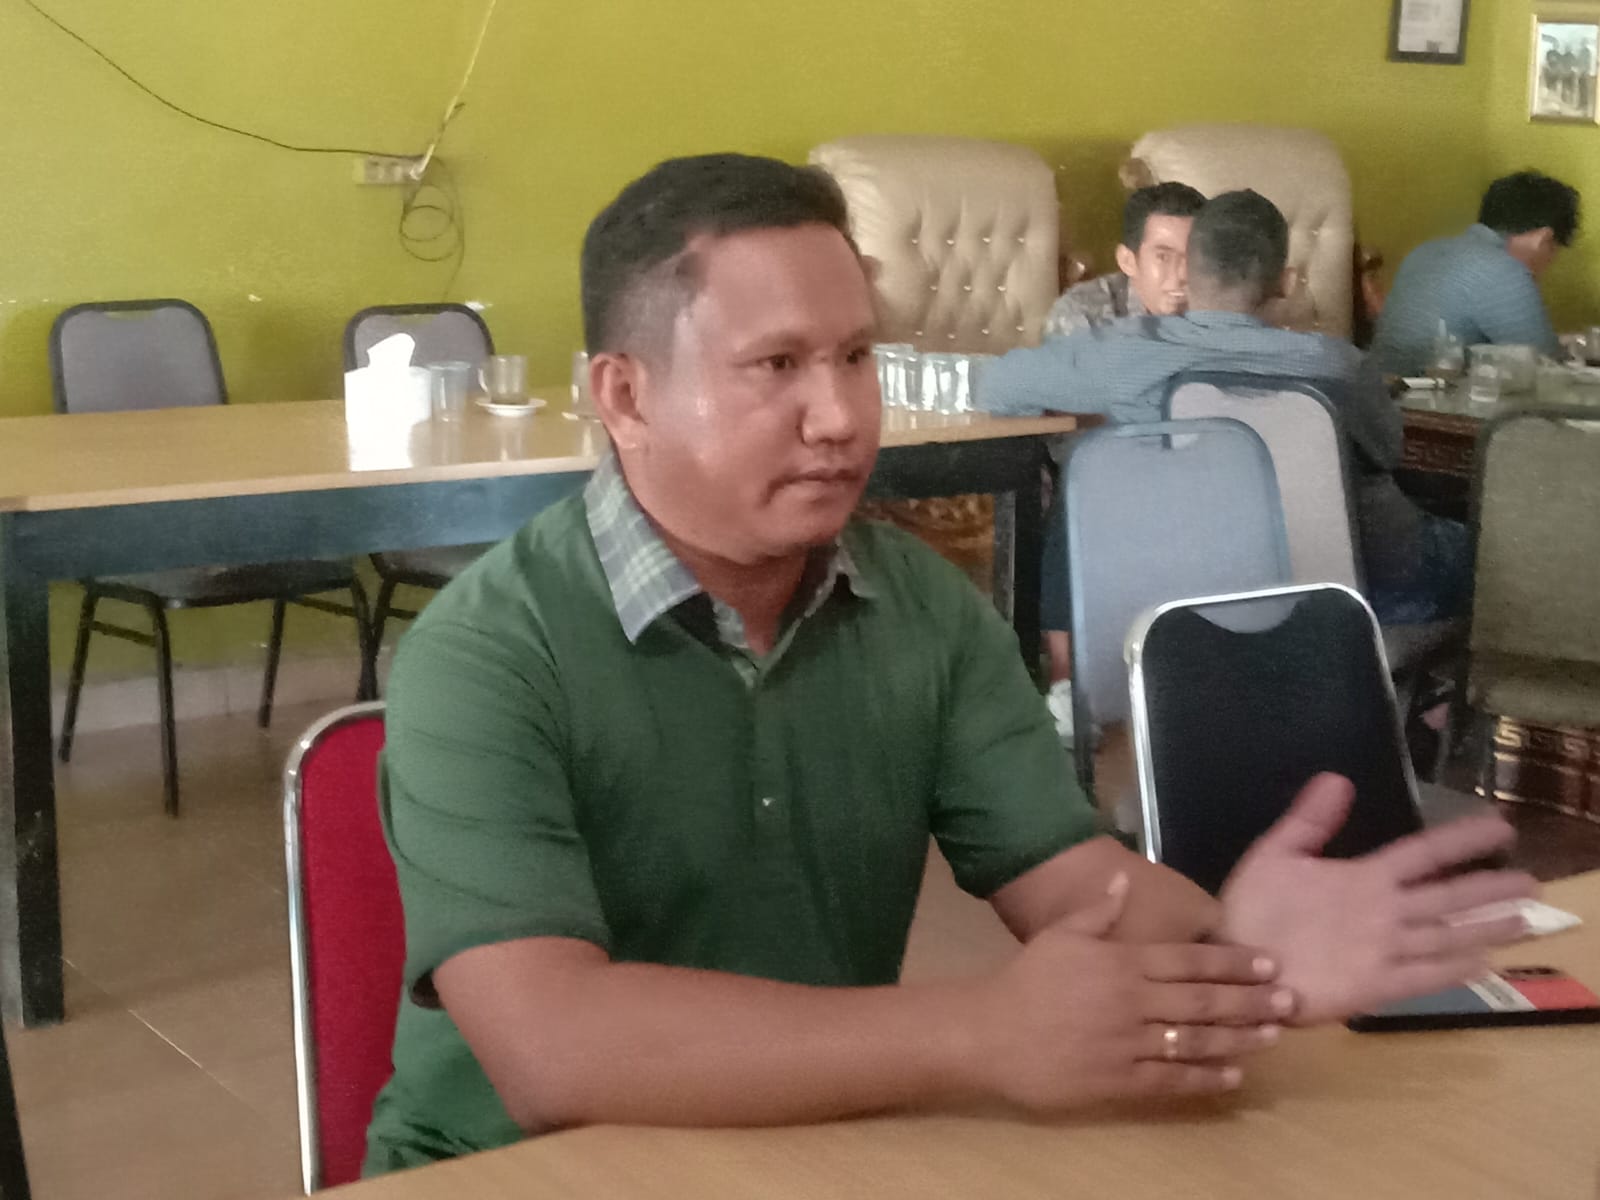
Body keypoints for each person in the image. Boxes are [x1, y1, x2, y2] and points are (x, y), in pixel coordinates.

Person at [365, 156, 1531, 1175]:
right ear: (624, 395)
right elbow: (553, 1047)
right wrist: (979, 1033)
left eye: (855, 356)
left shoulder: (916, 606)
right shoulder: (489, 651)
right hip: (509, 1171)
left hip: (813, 1147)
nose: (839, 416)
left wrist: (1237, 952)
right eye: (776, 365)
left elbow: (1069, 882)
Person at [981, 189, 1469, 625]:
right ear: (1285, 281)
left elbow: (997, 387)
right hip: (1366, 586)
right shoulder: (1341, 366)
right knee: (1487, 549)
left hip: (1201, 592)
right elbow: (1388, 451)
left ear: (1188, 272)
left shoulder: (1123, 354)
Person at [1370, 171, 1580, 375]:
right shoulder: (1504, 270)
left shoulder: (1424, 251)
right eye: (1553, 249)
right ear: (1543, 238)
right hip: (1428, 395)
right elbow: (1546, 364)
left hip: (1381, 388)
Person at [1043, 182, 1207, 339]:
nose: (1183, 273)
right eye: (1163, 257)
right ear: (1128, 261)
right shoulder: (1085, 318)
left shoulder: (1217, 302)